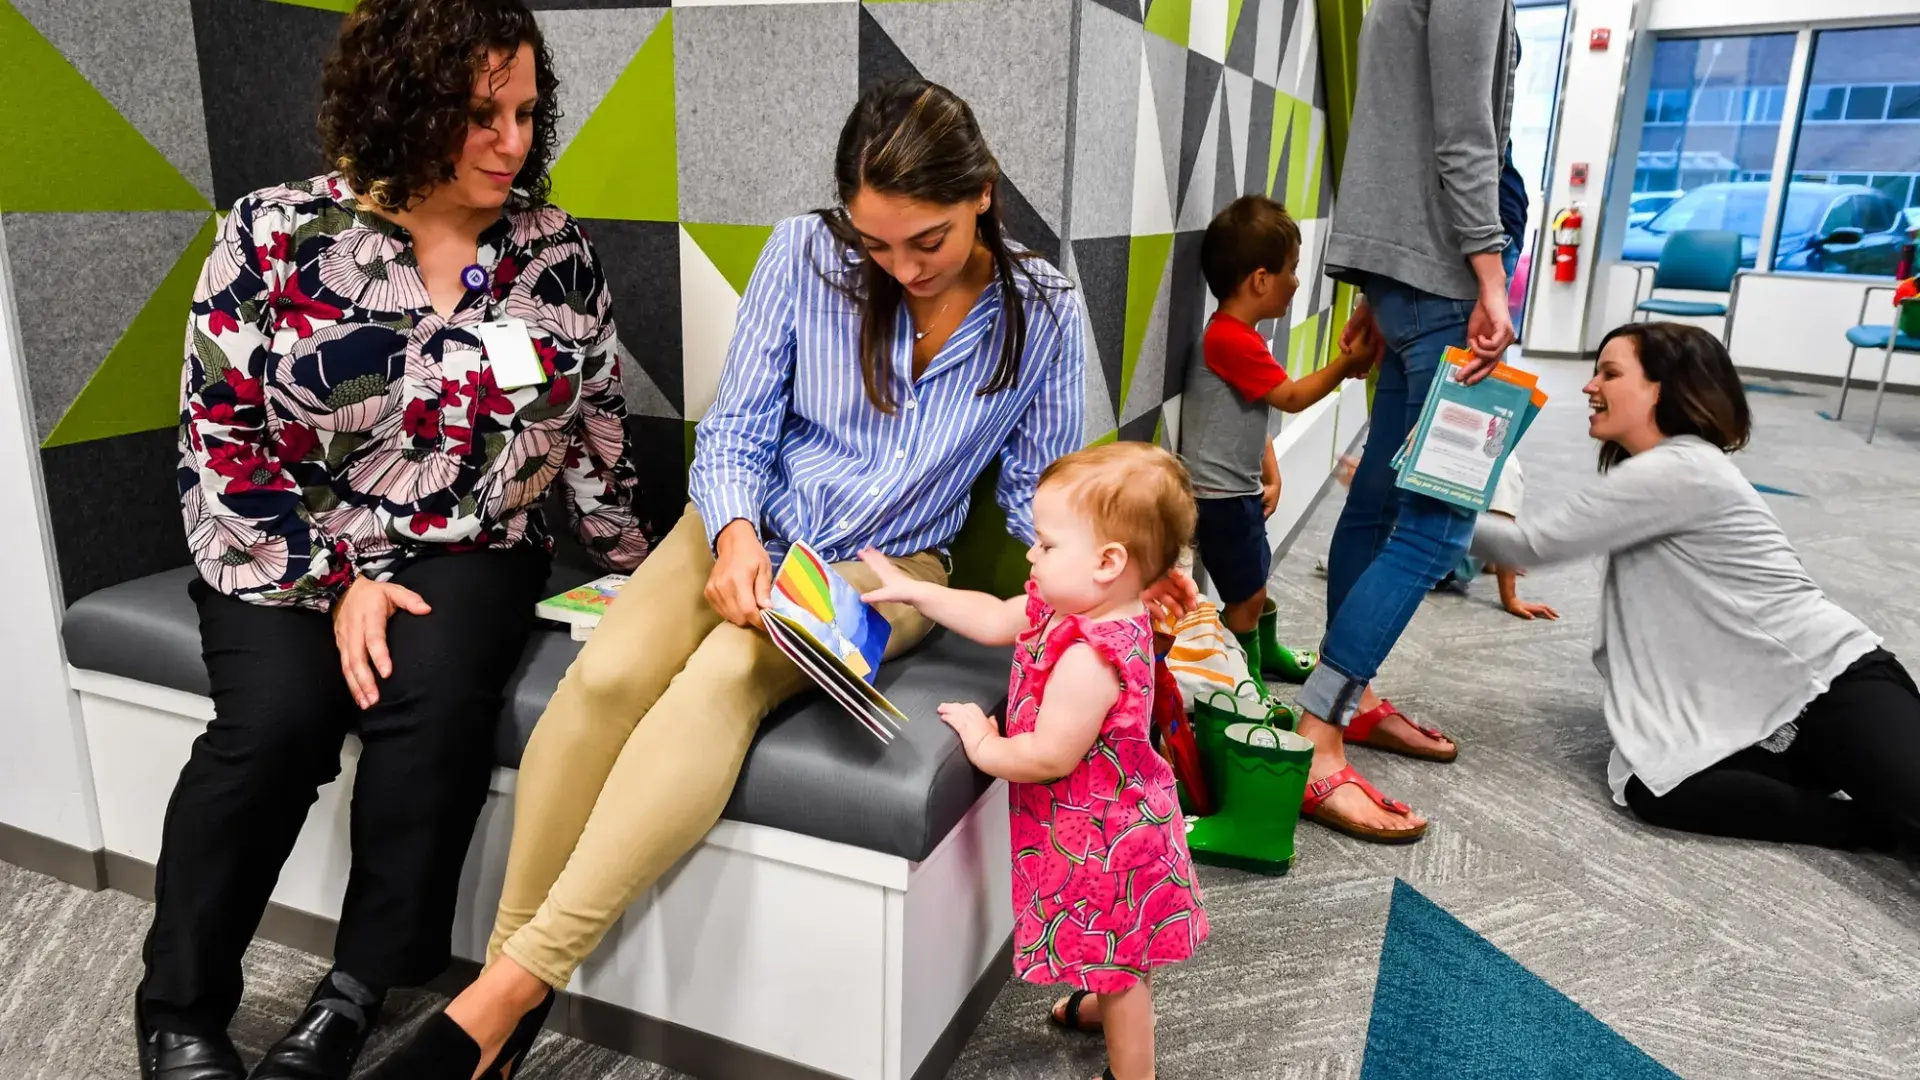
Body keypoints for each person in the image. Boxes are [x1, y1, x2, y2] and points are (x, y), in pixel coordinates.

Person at [366, 79, 1182, 1078]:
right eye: (877, 243)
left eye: (926, 240)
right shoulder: (804, 254)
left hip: (885, 566)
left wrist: (1118, 580)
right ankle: (499, 1011)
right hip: (746, 519)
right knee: (612, 676)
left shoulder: (1042, 311)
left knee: (725, 676)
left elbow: (1034, 498)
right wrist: (739, 537)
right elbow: (742, 426)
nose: (903, 268)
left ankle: (504, 992)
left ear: (981, 193)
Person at [139, 3, 652, 1078]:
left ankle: (356, 990)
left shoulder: (552, 252)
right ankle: (179, 1005)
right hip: (284, 542)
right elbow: (221, 433)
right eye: (479, 115)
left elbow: (596, 422)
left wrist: (636, 579)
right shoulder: (273, 233)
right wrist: (343, 582)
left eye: (524, 112)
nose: (512, 142)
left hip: (473, 542)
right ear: (401, 108)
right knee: (274, 727)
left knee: (434, 703)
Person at [1472, 322, 1918, 850]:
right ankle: (1876, 823)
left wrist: (1416, 502)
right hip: (1770, 695)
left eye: (1610, 374)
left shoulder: (1681, 469)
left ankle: (1883, 817)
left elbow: (1531, 546)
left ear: (1666, 388)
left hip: (1832, 680)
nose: (1590, 387)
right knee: (1658, 786)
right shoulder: (1663, 468)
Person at [859, 441, 1209, 1080]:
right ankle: (1106, 999)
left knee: (1121, 967)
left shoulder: (1089, 656)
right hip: (1097, 831)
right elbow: (993, 618)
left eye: (1046, 545)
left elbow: (1048, 756)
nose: (1030, 553)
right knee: (1113, 949)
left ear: (1108, 562)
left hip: (1111, 845)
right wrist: (913, 593)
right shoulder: (1068, 606)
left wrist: (985, 745)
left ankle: (1132, 1067)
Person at [1300, 0, 1519, 843]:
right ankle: (1320, 738)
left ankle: (1348, 701)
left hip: (1403, 273)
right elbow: (1466, 135)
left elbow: (1391, 117)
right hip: (1441, 280)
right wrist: (1492, 279)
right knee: (1435, 526)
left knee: (1381, 503)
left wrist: (1372, 288)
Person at [1182, 196, 1377, 697]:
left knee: (1256, 580)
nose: (1296, 281)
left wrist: (1271, 471)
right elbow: (1288, 399)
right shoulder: (1230, 339)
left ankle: (1262, 654)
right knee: (1244, 597)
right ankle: (1239, 686)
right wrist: (1345, 367)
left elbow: (1254, 416)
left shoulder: (1237, 337)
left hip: (1235, 491)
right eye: (1291, 269)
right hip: (1219, 499)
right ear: (1261, 280)